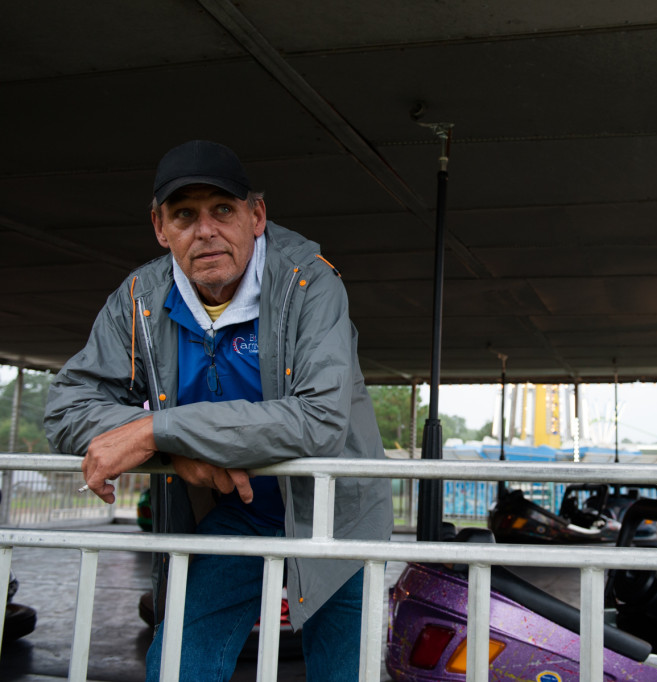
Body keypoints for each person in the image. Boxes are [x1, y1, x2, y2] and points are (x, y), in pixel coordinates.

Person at [44, 139, 394, 681]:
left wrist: (160, 431)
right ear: (161, 229)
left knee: (344, 672)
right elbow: (66, 407)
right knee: (179, 662)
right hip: (239, 509)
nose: (205, 230)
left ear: (256, 216)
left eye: (222, 210)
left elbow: (320, 420)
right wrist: (171, 444)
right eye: (184, 215)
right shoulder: (139, 296)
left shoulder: (309, 280)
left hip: (336, 513)